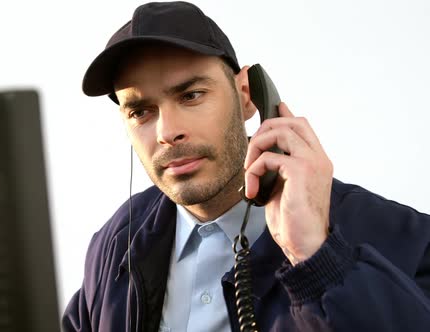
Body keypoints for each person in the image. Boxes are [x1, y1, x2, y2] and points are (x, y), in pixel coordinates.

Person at [62, 2, 430, 331]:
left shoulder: (400, 236)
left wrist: (317, 259)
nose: (167, 132)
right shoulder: (115, 243)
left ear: (247, 97)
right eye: (141, 111)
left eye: (191, 96)